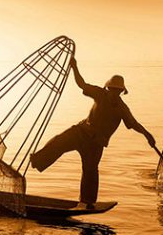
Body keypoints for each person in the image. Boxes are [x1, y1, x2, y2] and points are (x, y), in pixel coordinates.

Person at [30, 57, 155, 209]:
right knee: (58, 142)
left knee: (90, 171)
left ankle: (87, 201)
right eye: (112, 90)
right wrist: (74, 67)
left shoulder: (122, 108)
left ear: (121, 92)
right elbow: (81, 84)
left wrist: (148, 135)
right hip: (81, 132)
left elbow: (134, 124)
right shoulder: (100, 94)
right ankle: (36, 161)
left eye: (117, 91)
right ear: (108, 88)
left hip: (96, 143)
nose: (113, 93)